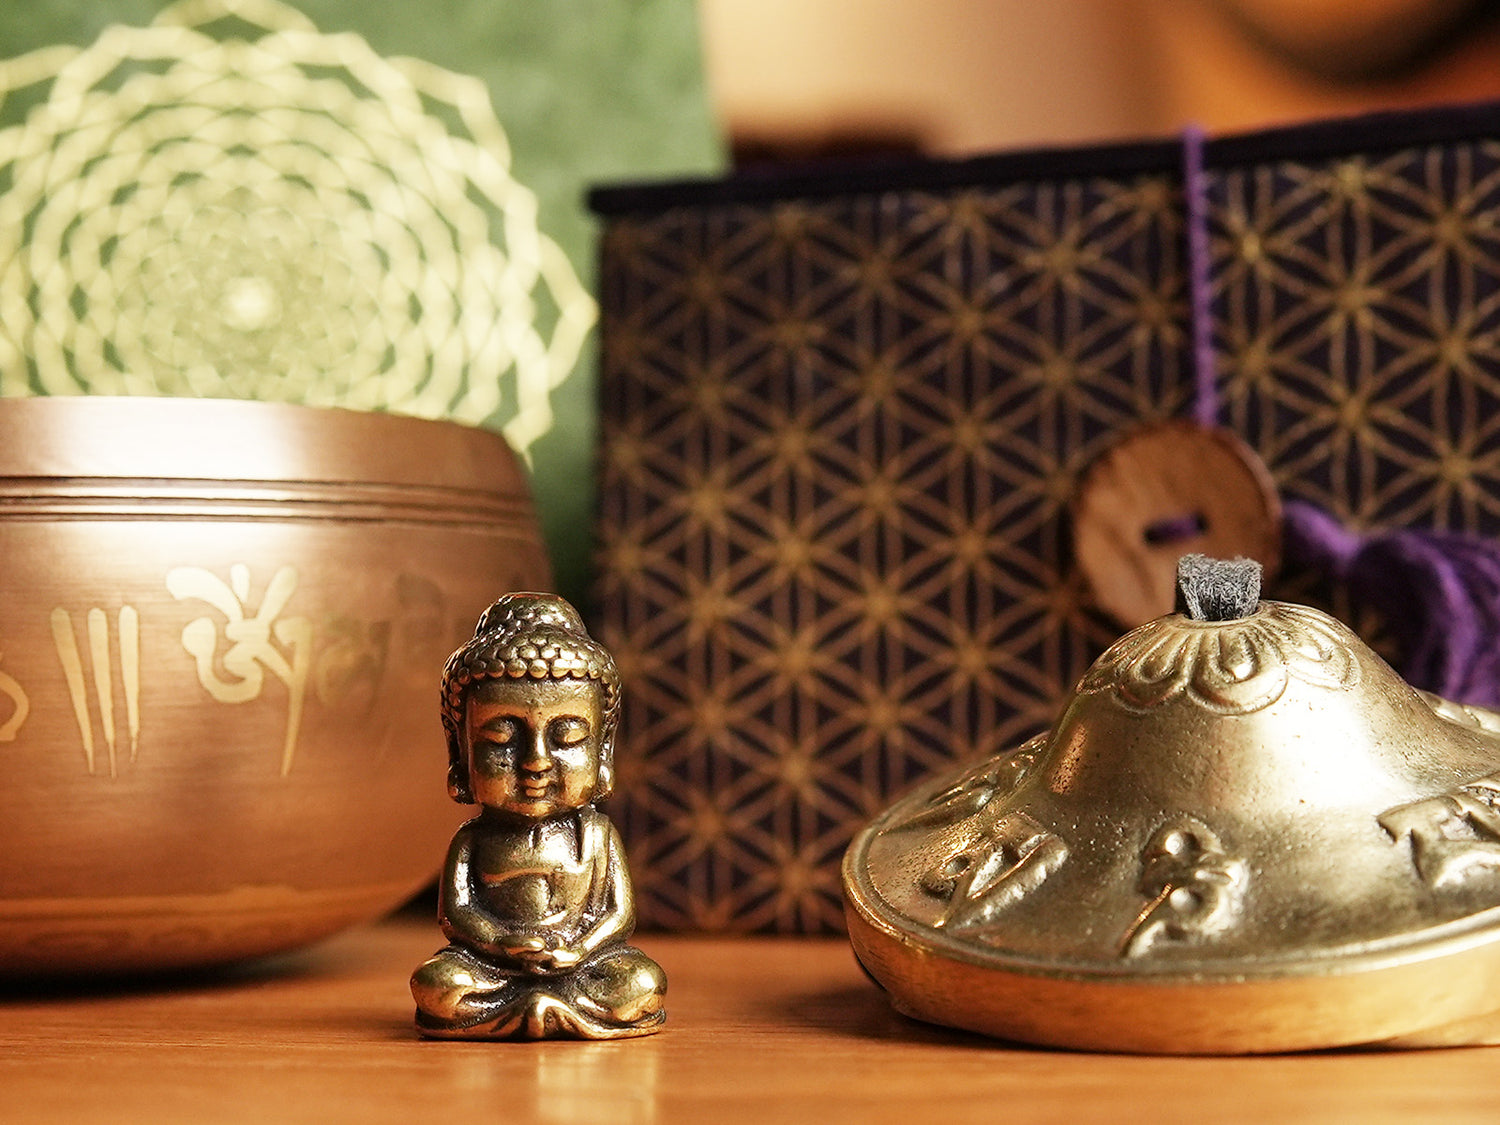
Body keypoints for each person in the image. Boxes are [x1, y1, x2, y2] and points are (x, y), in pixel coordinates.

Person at [410, 593, 666, 1039]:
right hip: (494, 966)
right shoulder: (472, 840)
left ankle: (535, 1008)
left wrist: (578, 950)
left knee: (642, 983)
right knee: (437, 984)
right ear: (461, 752)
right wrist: (499, 943)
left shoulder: (598, 835)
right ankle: (544, 1008)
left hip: (582, 964)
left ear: (603, 750)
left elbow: (619, 914)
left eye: (567, 738)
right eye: (501, 739)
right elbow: (457, 913)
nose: (536, 761)